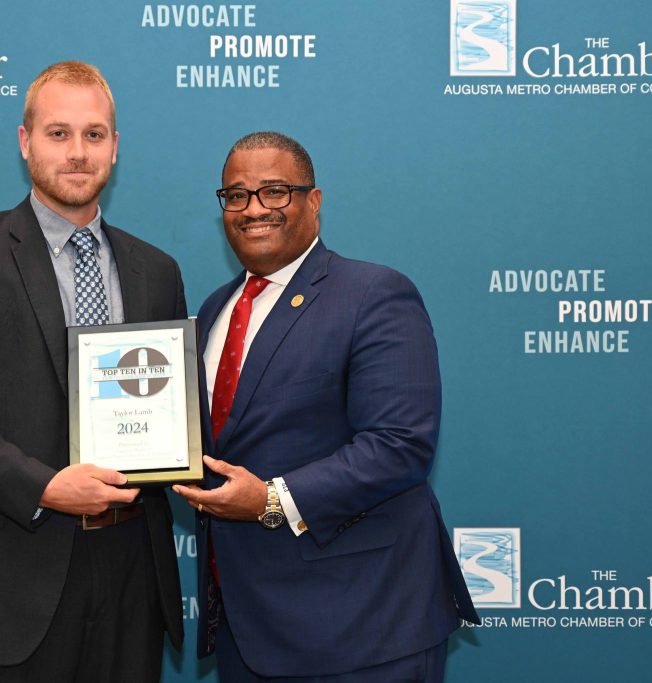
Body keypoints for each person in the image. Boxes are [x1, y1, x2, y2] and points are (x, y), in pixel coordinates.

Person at [0, 61, 185, 682]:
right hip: (7, 571)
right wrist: (44, 486)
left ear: (115, 147)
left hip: (132, 569)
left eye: (94, 134)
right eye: (58, 134)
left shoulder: (156, 270)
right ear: (25, 141)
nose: (78, 153)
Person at [173, 131, 479, 681]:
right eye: (236, 196)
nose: (254, 209)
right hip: (249, 629)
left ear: (313, 202)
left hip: (362, 627)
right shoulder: (215, 310)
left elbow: (400, 444)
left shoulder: (374, 293)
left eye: (275, 191)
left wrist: (270, 499)